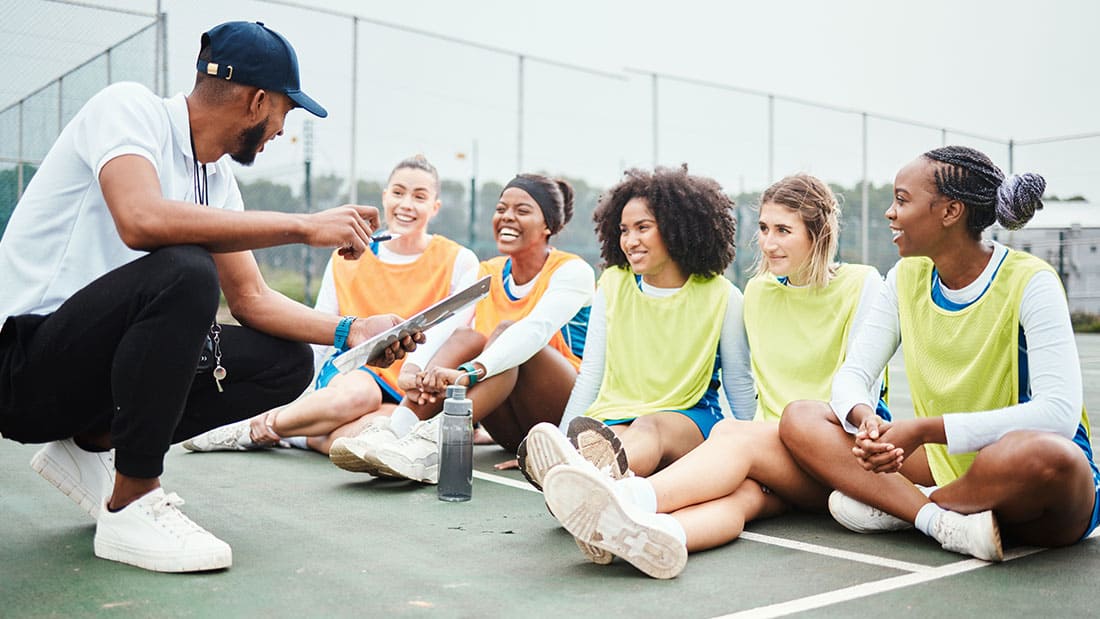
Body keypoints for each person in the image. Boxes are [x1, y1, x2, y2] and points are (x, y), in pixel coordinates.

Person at [0, 21, 418, 573]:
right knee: (186, 270)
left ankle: (91, 442)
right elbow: (141, 220)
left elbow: (252, 300)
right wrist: (304, 226)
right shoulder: (129, 110)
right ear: (257, 101)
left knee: (282, 363)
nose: (279, 132)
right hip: (25, 366)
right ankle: (133, 499)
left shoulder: (214, 177)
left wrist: (354, 331)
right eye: (284, 116)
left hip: (89, 378)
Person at [535, 173, 885, 579]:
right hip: (778, 456)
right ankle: (647, 536)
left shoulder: (863, 283)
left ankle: (622, 497)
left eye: (784, 230)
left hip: (835, 454)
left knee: (731, 436)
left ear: (819, 232)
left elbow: (860, 386)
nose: (769, 243)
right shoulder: (759, 292)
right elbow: (750, 391)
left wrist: (754, 436)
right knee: (741, 499)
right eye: (764, 229)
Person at [779, 146, 1098, 563]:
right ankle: (936, 519)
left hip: (1040, 489)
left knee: (1039, 455)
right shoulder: (905, 278)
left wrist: (925, 429)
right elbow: (852, 375)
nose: (890, 213)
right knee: (801, 418)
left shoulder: (1031, 281)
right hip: (945, 462)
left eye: (902, 199)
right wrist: (866, 420)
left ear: (950, 212)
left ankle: (912, 506)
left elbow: (1058, 413)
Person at [180, 155, 478, 455]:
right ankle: (256, 427)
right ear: (385, 196)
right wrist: (305, 394)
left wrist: (415, 372)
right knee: (362, 394)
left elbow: (456, 331)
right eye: (398, 192)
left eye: (420, 197)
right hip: (352, 376)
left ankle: (295, 434)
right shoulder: (348, 256)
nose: (407, 204)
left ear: (435, 207)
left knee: (379, 433)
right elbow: (323, 326)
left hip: (410, 387)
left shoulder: (458, 260)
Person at [329, 173, 596, 483]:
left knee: (507, 334)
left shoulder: (572, 271)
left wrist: (472, 371)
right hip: (508, 427)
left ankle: (432, 442)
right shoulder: (487, 271)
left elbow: (534, 331)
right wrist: (414, 369)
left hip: (559, 417)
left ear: (548, 226)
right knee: (466, 336)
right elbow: (446, 325)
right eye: (501, 209)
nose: (507, 217)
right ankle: (397, 430)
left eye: (522, 211)